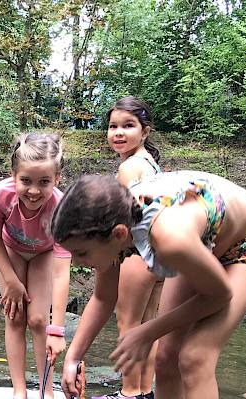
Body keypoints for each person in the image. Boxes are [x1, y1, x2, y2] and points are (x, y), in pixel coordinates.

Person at [51, 171, 246, 399]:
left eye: (81, 253)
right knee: (165, 358)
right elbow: (103, 298)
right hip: (201, 246)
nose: (77, 261)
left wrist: (147, 332)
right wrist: (73, 358)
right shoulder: (111, 226)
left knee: (195, 356)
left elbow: (219, 296)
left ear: (119, 234)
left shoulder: (170, 239)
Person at [0, 132, 72, 398]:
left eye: (44, 182)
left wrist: (57, 329)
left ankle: (46, 390)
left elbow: (61, 272)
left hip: (44, 254)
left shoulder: (61, 207)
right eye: (26, 181)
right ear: (14, 176)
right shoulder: (1, 195)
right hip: (10, 250)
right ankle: (19, 391)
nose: (34, 191)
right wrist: (11, 280)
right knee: (15, 317)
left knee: (37, 320)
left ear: (57, 179)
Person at [100, 96, 164, 399]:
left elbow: (124, 219)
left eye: (128, 126)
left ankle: (128, 392)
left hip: (136, 253)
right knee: (148, 325)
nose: (119, 132)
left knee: (127, 323)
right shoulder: (150, 163)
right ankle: (144, 391)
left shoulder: (130, 168)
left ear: (145, 131)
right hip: (158, 255)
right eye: (113, 126)